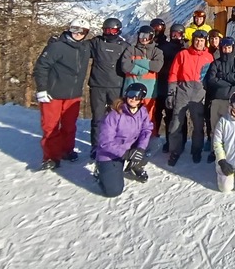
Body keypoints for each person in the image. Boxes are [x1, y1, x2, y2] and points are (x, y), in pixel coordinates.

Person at [33, 19, 91, 170]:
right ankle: (51, 157)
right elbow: (41, 67)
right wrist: (42, 89)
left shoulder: (85, 47)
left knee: (69, 126)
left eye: (83, 31)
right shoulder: (57, 46)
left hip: (73, 95)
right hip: (53, 94)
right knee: (50, 126)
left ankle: (66, 150)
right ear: (69, 29)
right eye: (75, 29)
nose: (78, 33)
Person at [95, 83, 153, 197]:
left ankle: (134, 166)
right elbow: (105, 142)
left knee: (155, 143)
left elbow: (147, 130)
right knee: (114, 191)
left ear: (141, 98)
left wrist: (140, 149)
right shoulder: (114, 114)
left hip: (130, 148)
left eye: (138, 96)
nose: (133, 99)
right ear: (126, 94)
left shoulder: (142, 111)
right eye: (131, 95)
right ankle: (100, 171)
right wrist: (126, 154)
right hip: (111, 154)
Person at [166, 29, 214, 166]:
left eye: (202, 41)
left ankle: (196, 150)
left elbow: (211, 77)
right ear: (193, 41)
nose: (199, 43)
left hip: (199, 93)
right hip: (183, 90)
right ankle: (175, 150)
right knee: (176, 123)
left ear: (205, 42)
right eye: (197, 40)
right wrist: (171, 92)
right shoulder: (183, 54)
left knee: (198, 125)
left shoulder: (209, 57)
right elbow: (173, 73)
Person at [88, 17, 130, 160]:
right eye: (107, 30)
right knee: (97, 118)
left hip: (116, 86)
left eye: (113, 30)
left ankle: (115, 145)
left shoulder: (124, 46)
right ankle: (96, 146)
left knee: (117, 118)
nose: (110, 33)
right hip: (97, 85)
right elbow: (79, 48)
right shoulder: (96, 42)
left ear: (118, 31)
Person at [205, 36, 235, 163]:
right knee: (215, 128)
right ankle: (214, 151)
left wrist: (223, 76)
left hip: (233, 102)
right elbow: (212, 80)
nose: (226, 50)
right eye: (224, 48)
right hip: (217, 100)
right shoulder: (215, 63)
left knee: (232, 129)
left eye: (228, 48)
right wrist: (229, 82)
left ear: (233, 48)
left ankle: (230, 151)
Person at [120, 25, 164, 141]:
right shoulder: (131, 49)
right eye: (141, 35)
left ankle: (148, 140)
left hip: (149, 90)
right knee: (129, 116)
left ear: (152, 37)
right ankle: (128, 140)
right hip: (131, 89)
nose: (144, 38)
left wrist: (136, 62)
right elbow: (125, 66)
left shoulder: (157, 51)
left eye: (147, 36)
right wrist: (143, 69)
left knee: (148, 116)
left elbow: (157, 66)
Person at [156, 23, 187, 153]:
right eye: (174, 34)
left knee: (180, 116)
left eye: (179, 34)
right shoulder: (165, 47)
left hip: (182, 86)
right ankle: (169, 141)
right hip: (165, 84)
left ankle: (182, 141)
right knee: (168, 115)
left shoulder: (186, 49)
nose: (176, 36)